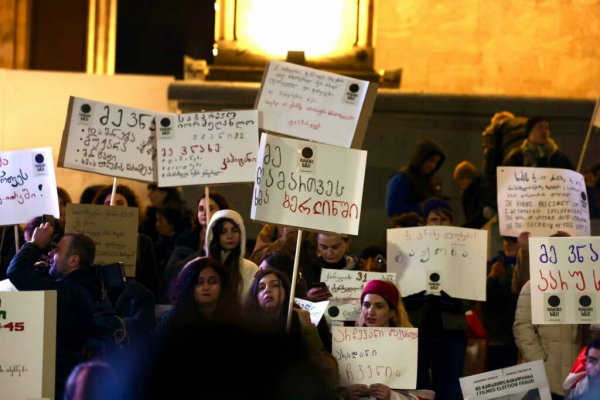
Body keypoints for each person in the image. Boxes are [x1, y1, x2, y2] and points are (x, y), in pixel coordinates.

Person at [7, 223, 100, 399]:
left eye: (56, 250)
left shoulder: (69, 293)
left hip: (53, 381)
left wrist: (34, 243)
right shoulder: (78, 289)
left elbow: (16, 273)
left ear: (73, 260)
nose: (50, 254)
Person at [402, 198, 474, 400]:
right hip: (417, 330)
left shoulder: (466, 250)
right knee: (417, 388)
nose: (439, 225)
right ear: (425, 222)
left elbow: (473, 293)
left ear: (451, 223)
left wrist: (451, 298)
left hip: (451, 334)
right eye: (434, 219)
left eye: (444, 220)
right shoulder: (409, 249)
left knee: (448, 390)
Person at [347, 280, 434, 400]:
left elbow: (426, 396)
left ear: (392, 313)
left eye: (379, 306)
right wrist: (344, 394)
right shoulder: (346, 344)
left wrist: (392, 396)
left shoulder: (409, 347)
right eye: (366, 305)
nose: (370, 312)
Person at [514, 281, 592, 399]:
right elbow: (522, 326)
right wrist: (538, 360)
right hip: (545, 377)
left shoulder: (583, 285)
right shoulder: (534, 284)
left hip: (577, 376)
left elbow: (589, 330)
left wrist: (587, 360)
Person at [154, 257, 240, 346]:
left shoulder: (234, 319)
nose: (206, 288)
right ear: (189, 286)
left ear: (223, 286)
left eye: (212, 282)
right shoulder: (172, 319)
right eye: (199, 282)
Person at [93, 184, 159, 299]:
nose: (113, 208)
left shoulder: (143, 241)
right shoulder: (91, 240)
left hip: (133, 302)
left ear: (131, 207)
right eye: (108, 204)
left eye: (120, 203)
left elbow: (151, 281)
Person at [243, 268, 323, 356]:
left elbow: (318, 357)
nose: (267, 290)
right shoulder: (245, 323)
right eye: (261, 288)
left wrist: (308, 328)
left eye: (275, 285)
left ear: (287, 292)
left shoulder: (298, 318)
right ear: (254, 295)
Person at [164, 191, 231, 285]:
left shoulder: (230, 237)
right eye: (201, 209)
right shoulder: (187, 238)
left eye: (210, 209)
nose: (204, 213)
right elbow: (171, 272)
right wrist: (201, 253)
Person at [481, 237, 520, 371]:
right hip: (496, 334)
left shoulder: (529, 266)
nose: (509, 244)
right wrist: (491, 277)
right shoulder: (492, 265)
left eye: (514, 241)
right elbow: (480, 297)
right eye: (506, 240)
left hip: (519, 334)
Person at [386, 139, 445, 218]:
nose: (433, 165)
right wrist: (422, 206)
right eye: (431, 160)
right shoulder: (401, 179)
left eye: (436, 162)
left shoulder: (431, 181)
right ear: (421, 158)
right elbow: (393, 210)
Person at [205, 209, 258, 297]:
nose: (230, 236)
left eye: (234, 230)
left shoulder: (251, 269)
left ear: (242, 233)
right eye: (223, 232)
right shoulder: (201, 266)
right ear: (215, 235)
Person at [302, 233, 358, 302]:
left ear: (346, 243)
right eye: (324, 247)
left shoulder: (355, 265)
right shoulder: (310, 270)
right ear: (317, 244)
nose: (329, 253)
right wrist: (307, 299)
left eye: (335, 247)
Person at [503, 116, 575, 170]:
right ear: (529, 132)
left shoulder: (558, 157)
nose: (544, 131)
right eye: (540, 128)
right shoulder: (517, 156)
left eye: (547, 128)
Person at [153, 202, 192, 300]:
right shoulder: (158, 245)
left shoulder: (184, 247)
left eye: (160, 220)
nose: (156, 224)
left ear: (171, 224)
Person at [453, 161, 496, 229]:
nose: (460, 182)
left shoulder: (483, 190)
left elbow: (480, 216)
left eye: (463, 177)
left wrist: (464, 228)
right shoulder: (469, 193)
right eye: (458, 179)